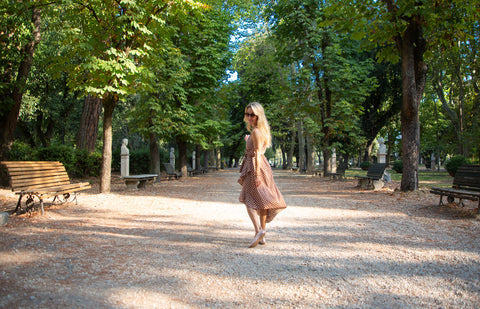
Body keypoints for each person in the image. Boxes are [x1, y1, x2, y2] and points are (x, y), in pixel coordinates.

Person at [238, 102, 287, 248]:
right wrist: (249, 142)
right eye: (247, 114)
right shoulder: (261, 131)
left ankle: (259, 230)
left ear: (258, 115)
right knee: (261, 201)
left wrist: (257, 173)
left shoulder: (256, 132)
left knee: (248, 198)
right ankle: (262, 234)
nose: (249, 117)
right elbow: (259, 149)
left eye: (252, 114)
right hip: (261, 166)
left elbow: (258, 153)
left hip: (255, 168)